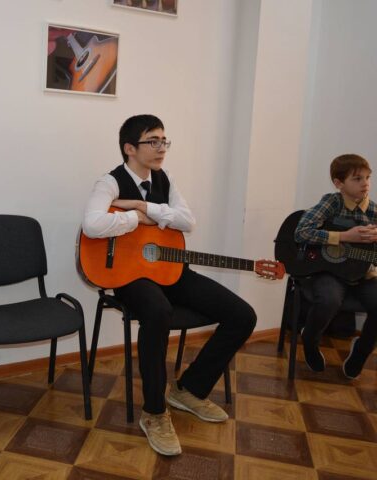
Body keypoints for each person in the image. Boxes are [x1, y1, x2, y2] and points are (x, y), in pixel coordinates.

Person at [82, 114, 256, 456]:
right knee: (158, 311)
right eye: (153, 141)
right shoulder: (109, 182)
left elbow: (188, 221)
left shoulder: (165, 179)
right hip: (129, 276)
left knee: (243, 315)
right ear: (130, 148)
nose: (161, 148)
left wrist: (142, 205)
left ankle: (189, 389)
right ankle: (154, 412)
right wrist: (136, 219)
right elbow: (92, 225)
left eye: (164, 141)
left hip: (170, 269)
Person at [294, 153, 377, 379]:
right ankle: (310, 340)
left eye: (368, 177)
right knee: (329, 300)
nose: (365, 183)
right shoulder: (331, 202)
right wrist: (344, 236)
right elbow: (301, 232)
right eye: (357, 179)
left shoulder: (374, 211)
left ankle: (361, 352)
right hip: (329, 272)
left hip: (363, 275)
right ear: (339, 183)